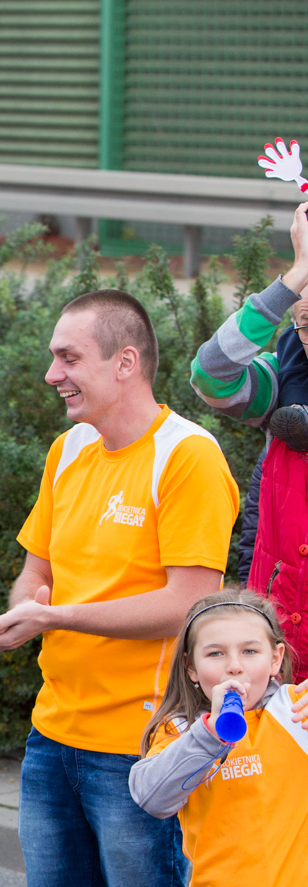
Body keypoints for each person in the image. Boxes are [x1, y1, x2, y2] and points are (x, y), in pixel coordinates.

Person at [0, 289, 238, 887]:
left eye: (68, 357)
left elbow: (190, 603)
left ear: (126, 363)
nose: (53, 372)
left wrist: (58, 617)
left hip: (144, 749)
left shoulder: (188, 455)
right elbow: (35, 575)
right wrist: (22, 614)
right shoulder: (70, 449)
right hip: (54, 736)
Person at [130, 590, 308, 887]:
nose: (234, 667)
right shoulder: (181, 732)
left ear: (275, 659)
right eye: (216, 654)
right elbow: (151, 796)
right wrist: (207, 736)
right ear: (191, 668)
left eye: (249, 652)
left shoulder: (294, 714)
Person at [189, 201, 308, 675]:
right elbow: (212, 373)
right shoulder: (285, 376)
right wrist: (292, 278)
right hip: (281, 649)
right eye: (302, 323)